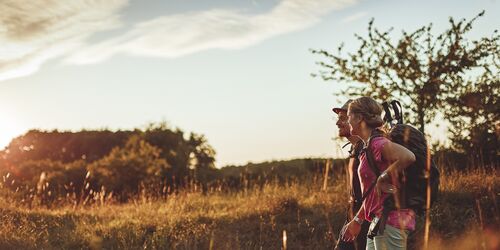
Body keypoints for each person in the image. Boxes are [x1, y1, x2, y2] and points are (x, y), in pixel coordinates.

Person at [341, 97, 416, 250]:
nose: (347, 121)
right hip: (378, 221)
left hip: (392, 220)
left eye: (349, 117)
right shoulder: (366, 148)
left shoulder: (377, 143)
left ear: (360, 118)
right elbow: (371, 194)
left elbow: (408, 157)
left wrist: (383, 177)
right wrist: (357, 220)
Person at [333, 100, 369, 250]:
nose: (337, 123)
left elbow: (373, 192)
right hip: (355, 221)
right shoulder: (356, 150)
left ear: (358, 120)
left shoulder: (367, 150)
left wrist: (357, 221)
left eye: (343, 118)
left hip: (365, 223)